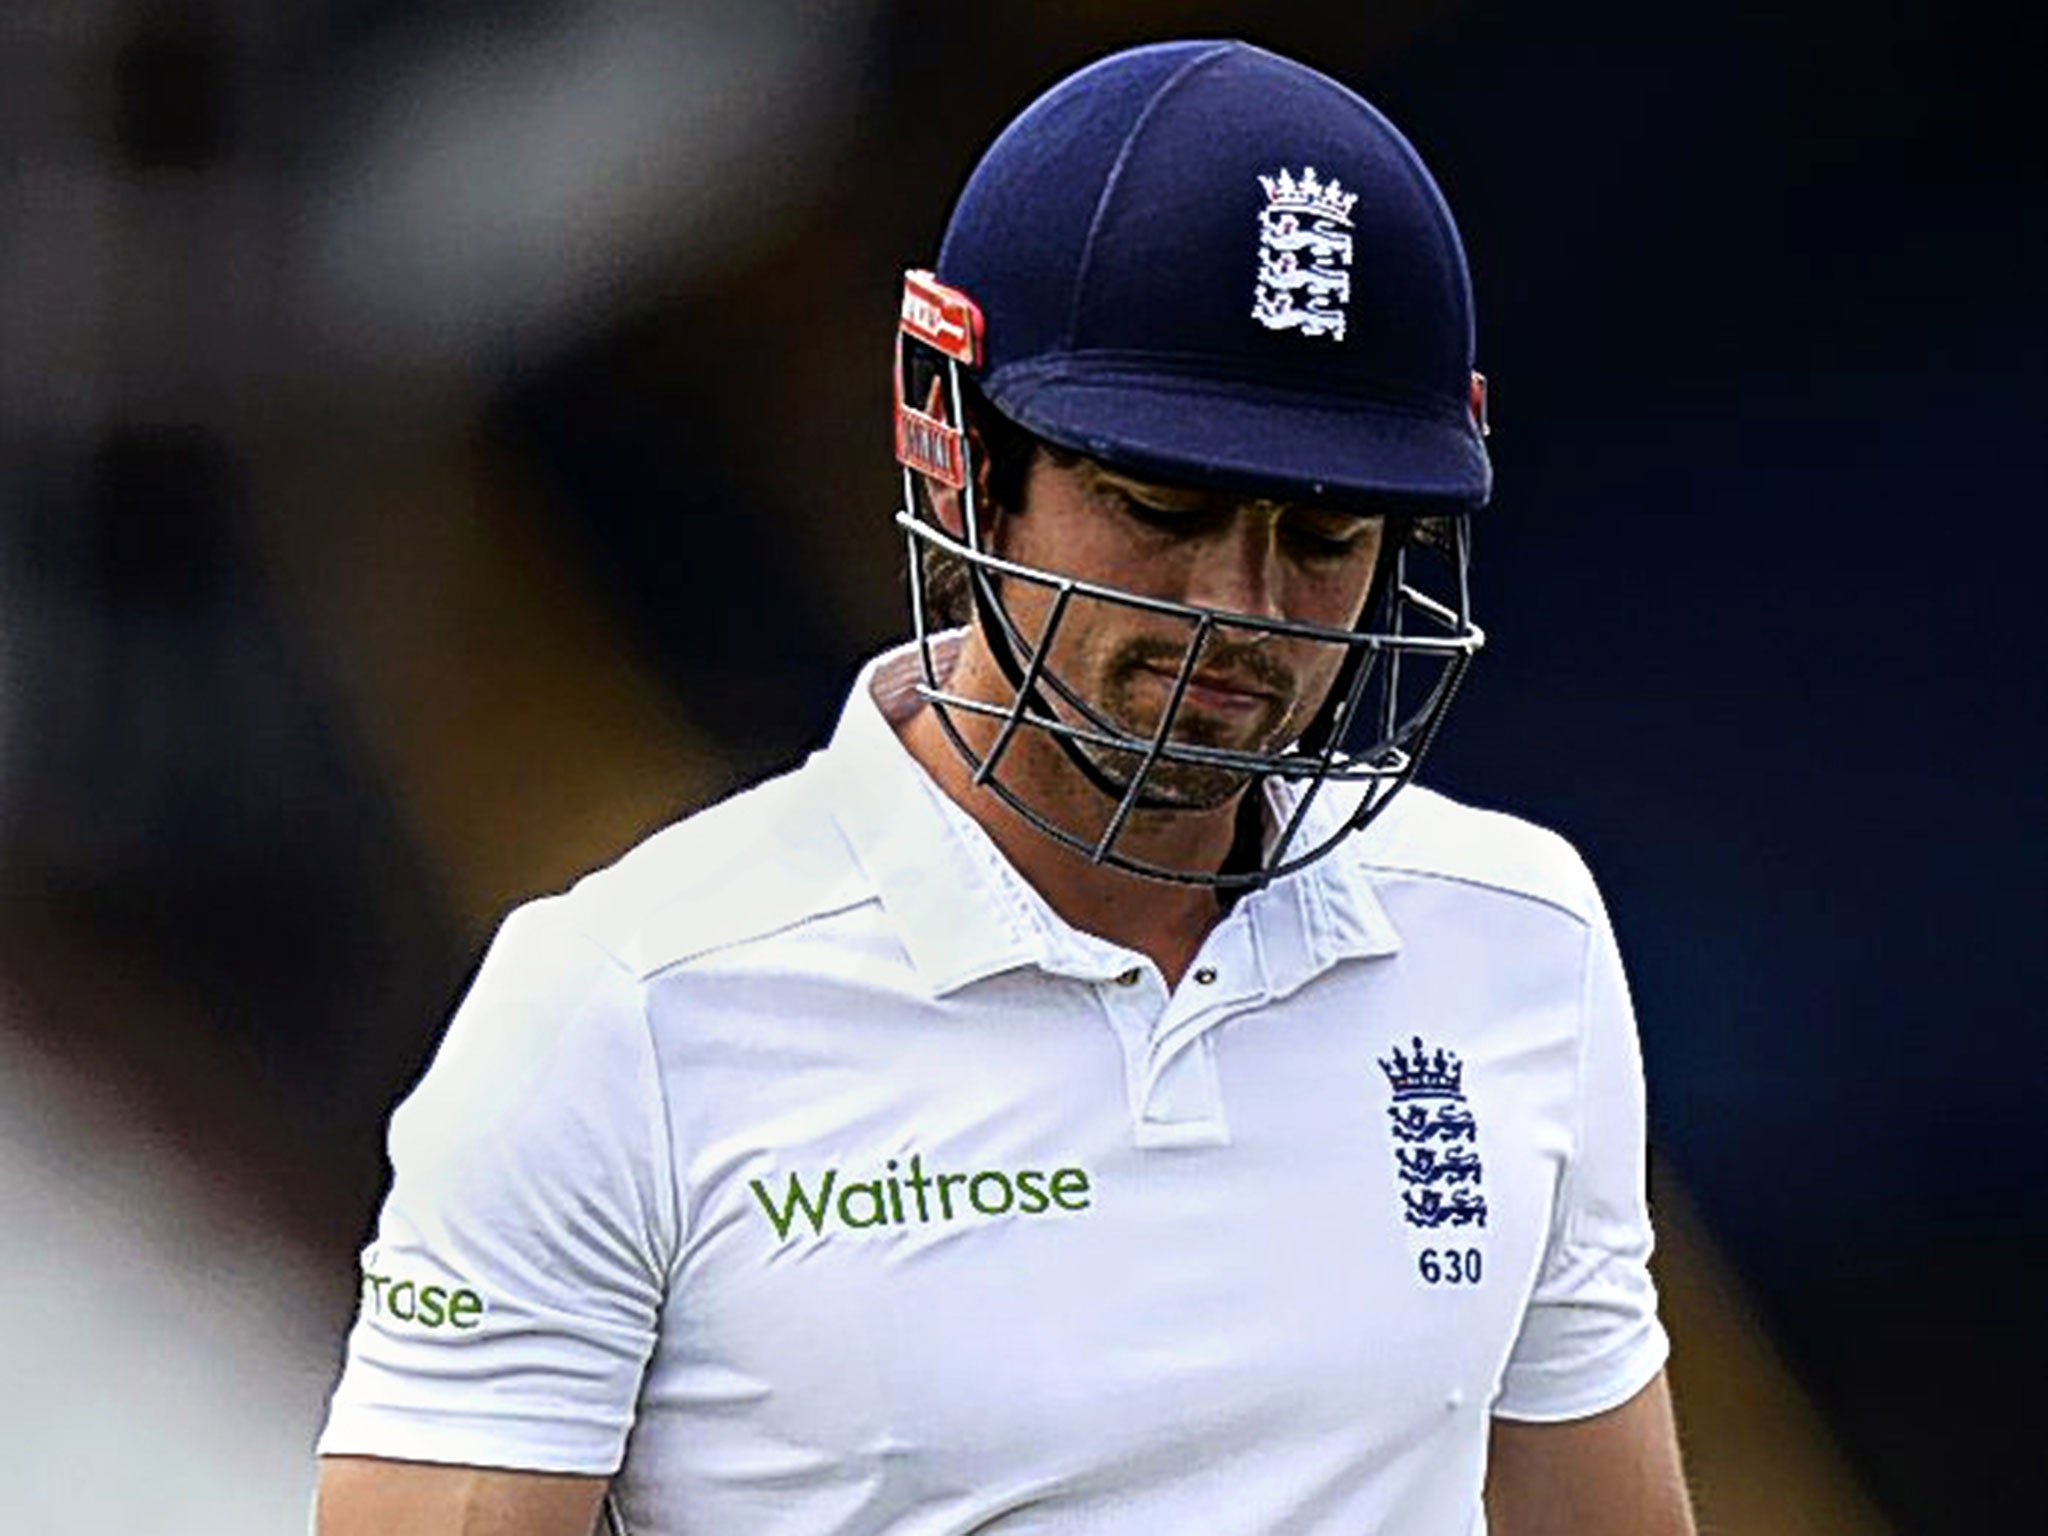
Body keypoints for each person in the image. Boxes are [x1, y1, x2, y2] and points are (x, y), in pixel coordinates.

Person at [315, 38, 1694, 1536]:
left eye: (1327, 538)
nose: (1243, 607)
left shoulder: (1515, 942)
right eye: (1163, 507)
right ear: (961, 454)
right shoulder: (627, 1011)